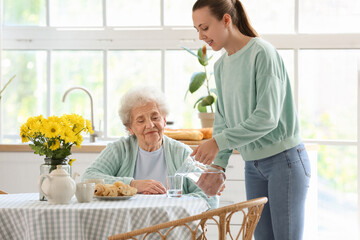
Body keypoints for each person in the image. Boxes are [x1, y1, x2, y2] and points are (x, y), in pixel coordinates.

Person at [190, 0, 311, 239]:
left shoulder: (262, 53)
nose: (201, 36)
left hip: (284, 162)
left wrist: (217, 143)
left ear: (226, 20)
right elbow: (223, 118)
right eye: (197, 30)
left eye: (205, 27)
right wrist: (218, 166)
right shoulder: (222, 66)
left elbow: (267, 118)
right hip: (252, 165)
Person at [82, 86, 218, 209]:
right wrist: (133, 185)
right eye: (141, 120)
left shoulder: (181, 153)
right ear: (130, 128)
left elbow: (210, 195)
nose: (150, 125)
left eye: (155, 117)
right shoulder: (119, 150)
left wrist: (174, 203)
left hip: (172, 227)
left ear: (164, 120)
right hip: (126, 227)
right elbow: (88, 179)